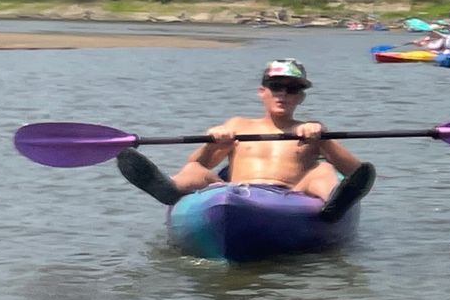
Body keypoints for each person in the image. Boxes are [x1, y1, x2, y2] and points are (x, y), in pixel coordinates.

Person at [116, 58, 374, 220]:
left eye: (292, 89)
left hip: (290, 195)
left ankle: (334, 204)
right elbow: (200, 163)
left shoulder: (310, 130)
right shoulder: (238, 125)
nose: (283, 94)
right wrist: (212, 143)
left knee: (324, 169)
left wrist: (324, 140)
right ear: (262, 92)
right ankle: (169, 189)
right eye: (276, 87)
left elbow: (355, 172)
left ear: (301, 97)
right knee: (194, 169)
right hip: (236, 191)